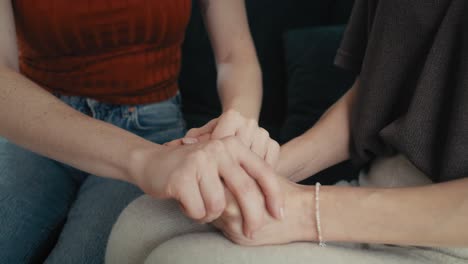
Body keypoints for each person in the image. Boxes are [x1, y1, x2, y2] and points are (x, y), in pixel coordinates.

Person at [105, 0, 468, 263]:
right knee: (140, 221)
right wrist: (259, 173)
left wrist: (304, 211)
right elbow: (376, 97)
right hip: (374, 186)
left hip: (445, 233)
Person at [0, 0, 284, 263]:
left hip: (152, 129)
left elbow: (234, 54)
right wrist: (145, 160)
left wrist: (237, 125)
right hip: (40, 126)